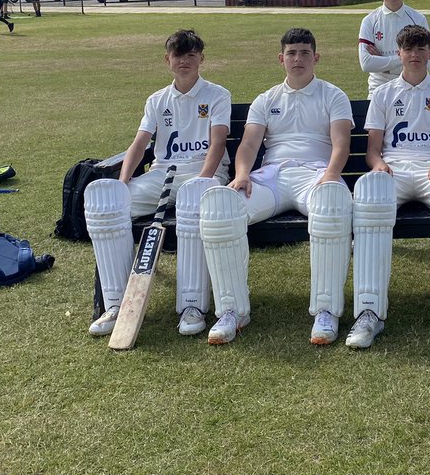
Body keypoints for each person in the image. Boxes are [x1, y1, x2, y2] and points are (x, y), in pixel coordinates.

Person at [197, 28, 353, 345]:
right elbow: (249, 145)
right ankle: (232, 311)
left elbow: (341, 143)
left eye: (305, 53)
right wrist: (242, 174)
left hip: (316, 175)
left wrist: (331, 175)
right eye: (292, 53)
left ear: (316, 57)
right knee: (221, 209)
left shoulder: (332, 95)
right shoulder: (267, 99)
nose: (298, 59)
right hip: (273, 178)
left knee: (331, 207)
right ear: (281, 58)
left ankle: (326, 310)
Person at [84, 30, 231, 338]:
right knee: (111, 204)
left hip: (206, 174)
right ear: (168, 60)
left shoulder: (217, 95)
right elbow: (139, 145)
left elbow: (217, 144)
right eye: (179, 56)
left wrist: (203, 180)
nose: (185, 61)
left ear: (202, 59)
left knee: (194, 204)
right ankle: (116, 304)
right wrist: (122, 183)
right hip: (164, 174)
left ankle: (192, 305)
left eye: (192, 55)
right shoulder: (156, 100)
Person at [348, 25, 430, 348]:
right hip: (395, 171)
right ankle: (368, 312)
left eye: (421, 49)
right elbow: (373, 151)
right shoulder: (384, 94)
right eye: (409, 49)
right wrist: (379, 166)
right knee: (371, 196)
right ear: (399, 54)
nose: (415, 55)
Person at [358, 0, 429, 98]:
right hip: (378, 89)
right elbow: (366, 64)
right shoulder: (369, 21)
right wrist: (407, 59)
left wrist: (382, 62)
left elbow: (426, 63)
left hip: (412, 87)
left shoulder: (418, 19)